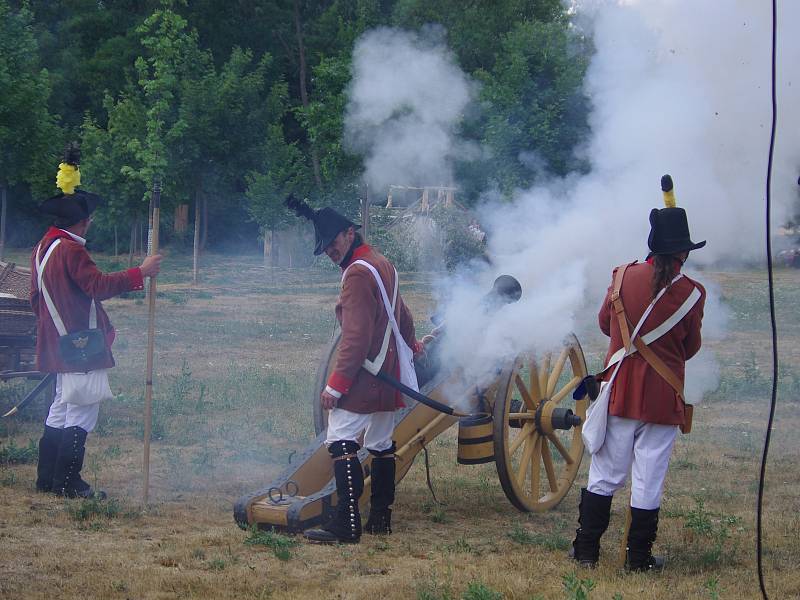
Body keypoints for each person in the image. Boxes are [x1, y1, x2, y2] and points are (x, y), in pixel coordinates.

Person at [571, 176, 706, 572]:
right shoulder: (693, 292)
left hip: (621, 391)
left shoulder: (620, 275)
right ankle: (638, 559)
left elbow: (603, 324)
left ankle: (586, 553)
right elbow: (691, 347)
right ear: (683, 251)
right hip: (663, 397)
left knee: (605, 475)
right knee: (648, 478)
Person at [285, 196, 421, 544]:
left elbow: (356, 336)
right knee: (380, 443)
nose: (329, 249)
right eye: (325, 245)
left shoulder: (357, 274)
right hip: (386, 373)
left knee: (341, 441)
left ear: (350, 233)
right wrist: (411, 344)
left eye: (333, 241)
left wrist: (335, 385)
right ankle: (379, 519)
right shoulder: (381, 262)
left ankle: (347, 524)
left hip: (365, 376)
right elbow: (401, 314)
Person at [31, 145, 162, 499]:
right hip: (79, 344)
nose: (90, 221)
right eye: (88, 216)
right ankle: (68, 482)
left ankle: (48, 478)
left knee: (61, 405)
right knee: (83, 407)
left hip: (57, 340)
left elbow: (35, 298)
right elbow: (98, 287)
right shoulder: (72, 250)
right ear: (81, 220)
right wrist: (141, 272)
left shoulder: (44, 246)